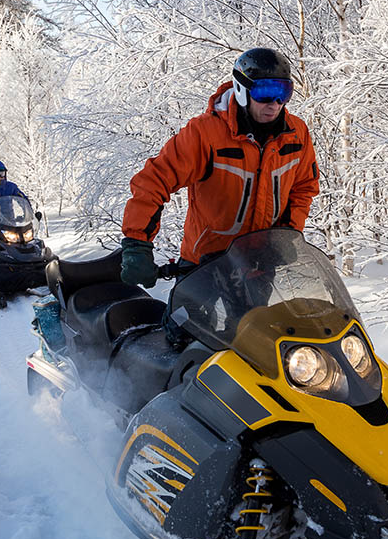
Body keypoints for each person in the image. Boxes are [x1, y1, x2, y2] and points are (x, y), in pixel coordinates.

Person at [119, 47, 320, 343]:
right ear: (241, 89)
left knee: (251, 341)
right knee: (185, 335)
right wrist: (137, 243)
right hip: (204, 263)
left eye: (283, 92)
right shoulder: (206, 134)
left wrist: (287, 233)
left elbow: (304, 187)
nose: (275, 103)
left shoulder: (296, 135)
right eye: (265, 92)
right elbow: (153, 180)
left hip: (257, 262)